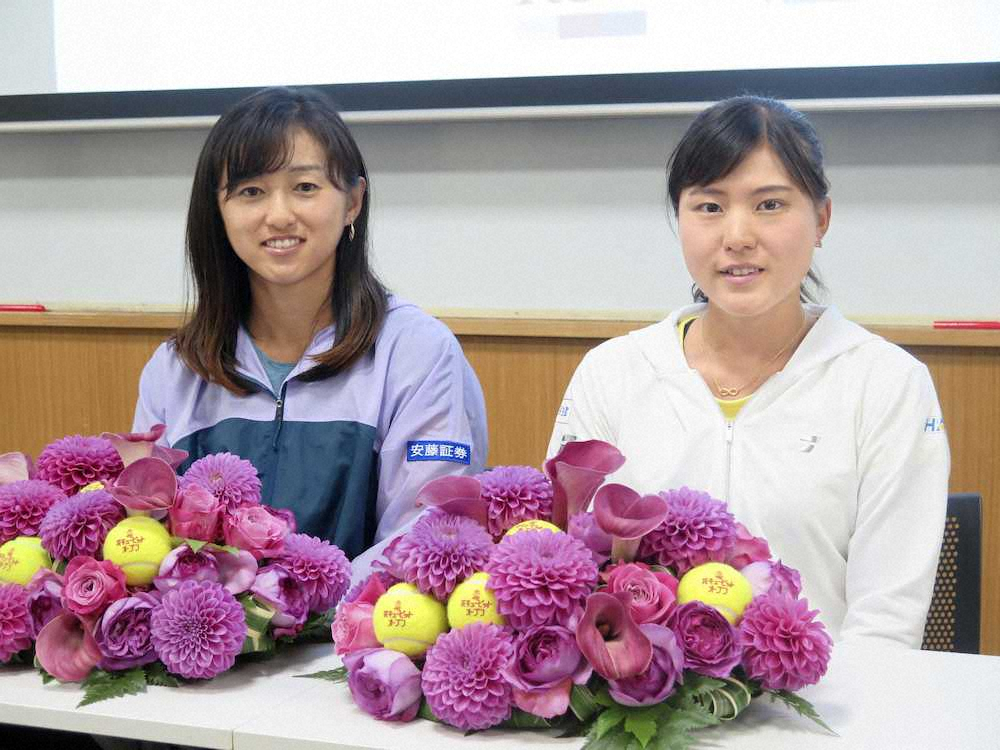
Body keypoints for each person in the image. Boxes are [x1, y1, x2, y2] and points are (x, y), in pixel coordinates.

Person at [547, 95, 949, 648]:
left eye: (769, 205)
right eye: (709, 207)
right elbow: (568, 572)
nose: (737, 235)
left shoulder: (886, 383)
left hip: (819, 714)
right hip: (646, 715)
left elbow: (886, 622)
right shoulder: (612, 373)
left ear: (822, 219)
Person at [133, 87, 487, 568]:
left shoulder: (417, 354)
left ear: (353, 202)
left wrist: (302, 618)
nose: (279, 215)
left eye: (305, 187)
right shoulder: (175, 369)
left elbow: (424, 539)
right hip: (214, 638)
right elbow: (149, 541)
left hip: (364, 638)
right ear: (218, 211)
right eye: (250, 191)